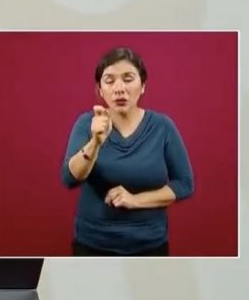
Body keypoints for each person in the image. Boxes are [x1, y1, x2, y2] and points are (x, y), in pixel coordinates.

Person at [61, 47, 194, 256]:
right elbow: (69, 179)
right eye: (109, 81)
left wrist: (135, 200)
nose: (119, 88)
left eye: (128, 79)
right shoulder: (87, 124)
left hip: (150, 245)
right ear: (100, 90)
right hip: (92, 244)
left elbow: (184, 184)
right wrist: (95, 142)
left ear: (143, 86)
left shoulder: (163, 126)